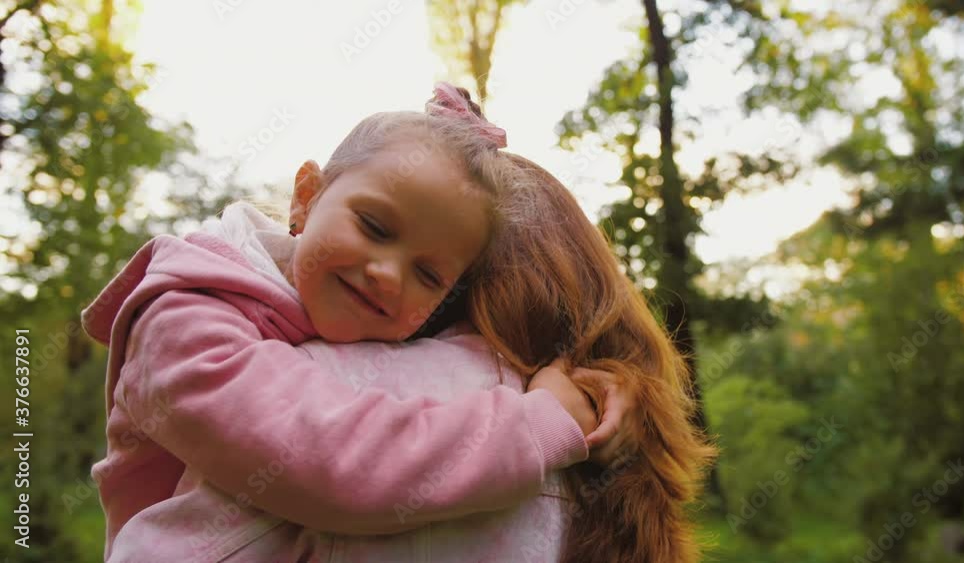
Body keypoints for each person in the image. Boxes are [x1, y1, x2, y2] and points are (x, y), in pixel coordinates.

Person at [82, 82, 639, 562]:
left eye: (428, 274)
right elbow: (328, 459)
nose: (388, 275)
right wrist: (536, 426)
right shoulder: (184, 317)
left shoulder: (322, 317)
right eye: (374, 226)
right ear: (305, 197)